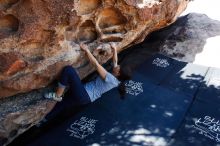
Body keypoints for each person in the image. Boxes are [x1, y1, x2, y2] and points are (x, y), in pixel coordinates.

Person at [44, 43, 130, 104]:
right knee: (65, 100)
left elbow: (96, 65)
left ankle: (58, 95)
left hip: (84, 95)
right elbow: (115, 62)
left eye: (119, 67)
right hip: (85, 95)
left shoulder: (111, 79)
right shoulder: (117, 77)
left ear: (118, 73)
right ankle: (45, 119)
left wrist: (86, 50)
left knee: (69, 70)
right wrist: (114, 49)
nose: (118, 65)